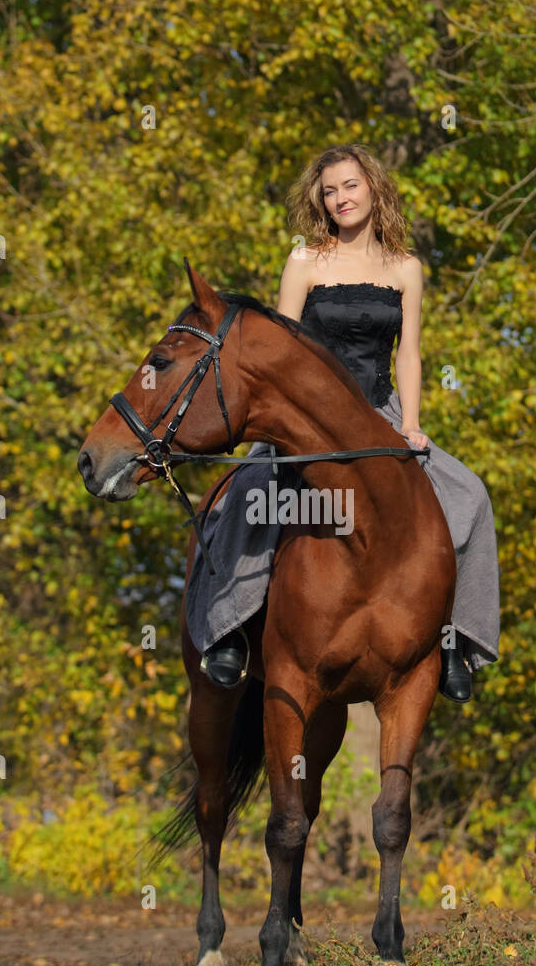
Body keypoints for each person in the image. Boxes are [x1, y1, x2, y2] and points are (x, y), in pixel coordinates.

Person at [185, 142, 500, 702]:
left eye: (349, 186)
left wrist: (412, 425)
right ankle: (229, 630)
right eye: (329, 191)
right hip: (306, 415)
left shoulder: (406, 269)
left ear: (373, 187)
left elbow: (408, 353)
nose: (340, 199)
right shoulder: (305, 261)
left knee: (470, 495)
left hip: (381, 413)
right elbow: (278, 351)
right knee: (246, 493)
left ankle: (454, 641)